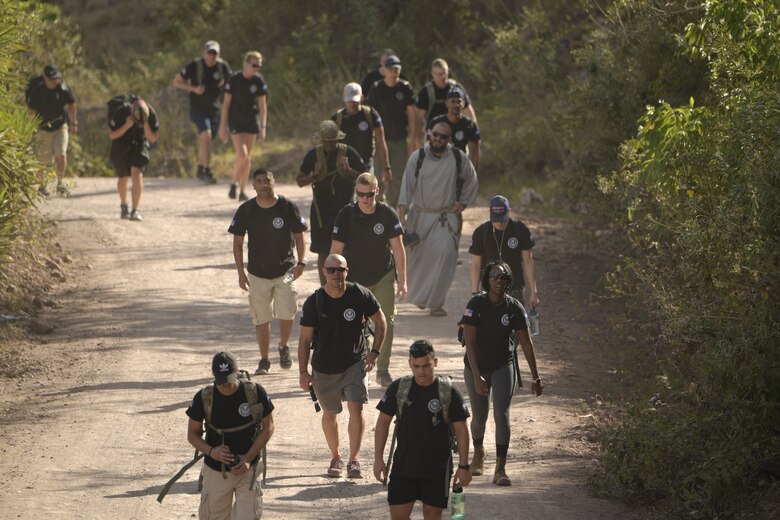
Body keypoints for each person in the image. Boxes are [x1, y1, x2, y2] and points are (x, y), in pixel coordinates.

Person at [297, 254, 387, 479]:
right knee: (330, 413)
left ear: (348, 271)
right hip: (324, 368)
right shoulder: (314, 302)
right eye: (331, 270)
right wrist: (303, 373)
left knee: (356, 407)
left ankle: (354, 460)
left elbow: (381, 321)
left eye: (341, 269)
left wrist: (374, 353)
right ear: (323, 272)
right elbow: (305, 341)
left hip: (354, 363)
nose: (336, 274)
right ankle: (335, 457)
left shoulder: (360, 294)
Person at [460, 261, 543, 486]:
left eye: (504, 277)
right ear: (487, 279)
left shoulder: (514, 307)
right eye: (495, 276)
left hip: (502, 364)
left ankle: (500, 468)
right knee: (479, 416)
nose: (499, 280)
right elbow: (470, 341)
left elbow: (526, 343)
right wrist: (477, 377)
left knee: (501, 414)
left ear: (508, 282)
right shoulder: (476, 304)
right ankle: (478, 452)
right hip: (476, 365)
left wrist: (536, 377)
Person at [374, 340, 472, 520]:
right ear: (409, 363)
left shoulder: (449, 392)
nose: (421, 371)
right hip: (404, 467)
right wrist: (378, 459)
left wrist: (464, 466)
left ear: (435, 362)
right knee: (398, 516)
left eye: (426, 365)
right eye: (416, 366)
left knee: (432, 515)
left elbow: (462, 430)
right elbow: (382, 423)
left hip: (437, 469)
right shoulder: (399, 388)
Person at [330, 173, 407, 387]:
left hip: (383, 275)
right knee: (353, 323)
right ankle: (355, 367)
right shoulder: (346, 215)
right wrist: (333, 279)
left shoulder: (387, 214)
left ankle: (382, 368)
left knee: (386, 322)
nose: (365, 199)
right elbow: (336, 250)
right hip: (354, 279)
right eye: (360, 195)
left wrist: (403, 280)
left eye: (369, 194)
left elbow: (398, 249)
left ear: (377, 192)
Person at [229, 168, 308, 376]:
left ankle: (283, 346)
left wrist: (301, 263)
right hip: (257, 273)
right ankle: (264, 360)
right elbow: (237, 243)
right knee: (261, 319)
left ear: (274, 182)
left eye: (267, 180)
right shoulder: (246, 210)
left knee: (288, 312)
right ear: (253, 186)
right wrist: (240, 273)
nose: (264, 184)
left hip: (287, 270)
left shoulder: (287, 207)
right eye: (259, 181)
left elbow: (300, 236)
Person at [398, 122, 477, 316]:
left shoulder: (457, 157)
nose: (438, 139)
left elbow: (471, 178)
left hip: (445, 216)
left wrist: (464, 202)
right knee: (419, 260)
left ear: (449, 140)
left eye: (443, 137)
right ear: (430, 135)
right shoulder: (418, 157)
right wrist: (401, 216)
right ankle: (422, 298)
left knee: (447, 254)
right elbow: (406, 187)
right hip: (421, 215)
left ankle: (436, 303)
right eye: (436, 135)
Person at [186, 351, 274, 519]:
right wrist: (212, 452)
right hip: (215, 469)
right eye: (221, 382)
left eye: (229, 380)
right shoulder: (204, 397)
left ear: (237, 372)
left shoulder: (254, 392)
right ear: (214, 375)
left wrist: (248, 458)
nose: (226, 386)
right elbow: (192, 434)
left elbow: (268, 426)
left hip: (248, 468)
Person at [296, 121, 367, 284]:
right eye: (326, 140)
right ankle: (325, 288)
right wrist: (314, 175)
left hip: (345, 212)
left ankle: (347, 285)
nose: (329, 144)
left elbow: (366, 178)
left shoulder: (348, 153)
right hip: (321, 213)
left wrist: (349, 170)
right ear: (321, 140)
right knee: (323, 252)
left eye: (332, 140)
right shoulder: (314, 155)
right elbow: (300, 181)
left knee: (347, 250)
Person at [173, 40, 232, 184]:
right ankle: (207, 171)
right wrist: (194, 88)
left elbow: (231, 85)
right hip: (198, 109)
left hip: (215, 109)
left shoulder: (222, 67)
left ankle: (200, 168)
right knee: (206, 136)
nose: (212, 56)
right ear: (204, 52)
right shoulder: (195, 66)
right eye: (209, 52)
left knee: (208, 140)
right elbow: (176, 81)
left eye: (215, 53)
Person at [365, 55, 418, 208]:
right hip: (382, 141)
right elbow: (369, 113)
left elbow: (412, 115)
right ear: (384, 71)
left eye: (397, 69)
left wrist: (412, 140)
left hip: (400, 139)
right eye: (391, 69)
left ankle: (394, 208)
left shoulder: (405, 87)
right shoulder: (377, 88)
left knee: (398, 177)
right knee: (380, 175)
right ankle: (379, 206)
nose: (394, 72)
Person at [469, 195, 538, 308]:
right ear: (490, 213)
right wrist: (474, 294)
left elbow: (528, 261)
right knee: (490, 323)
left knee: (515, 322)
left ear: (509, 211)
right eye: (496, 219)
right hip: (489, 288)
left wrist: (534, 292)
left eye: (502, 218)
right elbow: (476, 265)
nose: (500, 223)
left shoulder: (520, 230)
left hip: (515, 287)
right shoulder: (481, 232)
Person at [219, 51, 268, 202]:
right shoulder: (234, 79)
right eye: (254, 64)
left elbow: (262, 105)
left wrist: (263, 127)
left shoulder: (258, 81)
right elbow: (226, 104)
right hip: (235, 120)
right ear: (246, 63)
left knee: (248, 158)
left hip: (251, 120)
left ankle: (241, 190)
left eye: (258, 65)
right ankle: (233, 182)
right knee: (243, 154)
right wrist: (222, 126)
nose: (256, 68)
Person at [25, 64, 78, 196]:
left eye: (56, 78)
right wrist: (29, 128)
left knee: (61, 153)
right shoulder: (37, 91)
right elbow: (32, 111)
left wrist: (74, 123)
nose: (55, 81)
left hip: (61, 126)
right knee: (43, 160)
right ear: (45, 78)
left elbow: (72, 104)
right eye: (52, 79)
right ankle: (42, 186)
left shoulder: (63, 89)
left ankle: (60, 182)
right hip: (43, 128)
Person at [108, 95, 160, 221]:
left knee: (137, 174)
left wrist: (145, 122)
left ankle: (135, 210)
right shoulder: (121, 112)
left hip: (139, 145)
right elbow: (112, 135)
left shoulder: (150, 113)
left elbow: (153, 138)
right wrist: (127, 124)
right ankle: (124, 205)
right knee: (123, 179)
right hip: (121, 145)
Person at [331, 82, 390, 178]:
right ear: (344, 99)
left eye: (355, 100)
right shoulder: (337, 119)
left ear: (362, 98)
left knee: (365, 192)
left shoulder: (370, 115)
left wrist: (386, 167)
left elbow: (381, 142)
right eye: (349, 100)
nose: (352, 104)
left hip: (365, 166)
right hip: (343, 168)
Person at [415, 58, 477, 129]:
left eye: (445, 73)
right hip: (434, 133)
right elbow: (418, 118)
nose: (443, 77)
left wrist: (474, 132)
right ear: (433, 74)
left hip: (454, 132)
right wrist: (416, 137)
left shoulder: (456, 88)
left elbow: (468, 111)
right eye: (439, 74)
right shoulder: (426, 92)